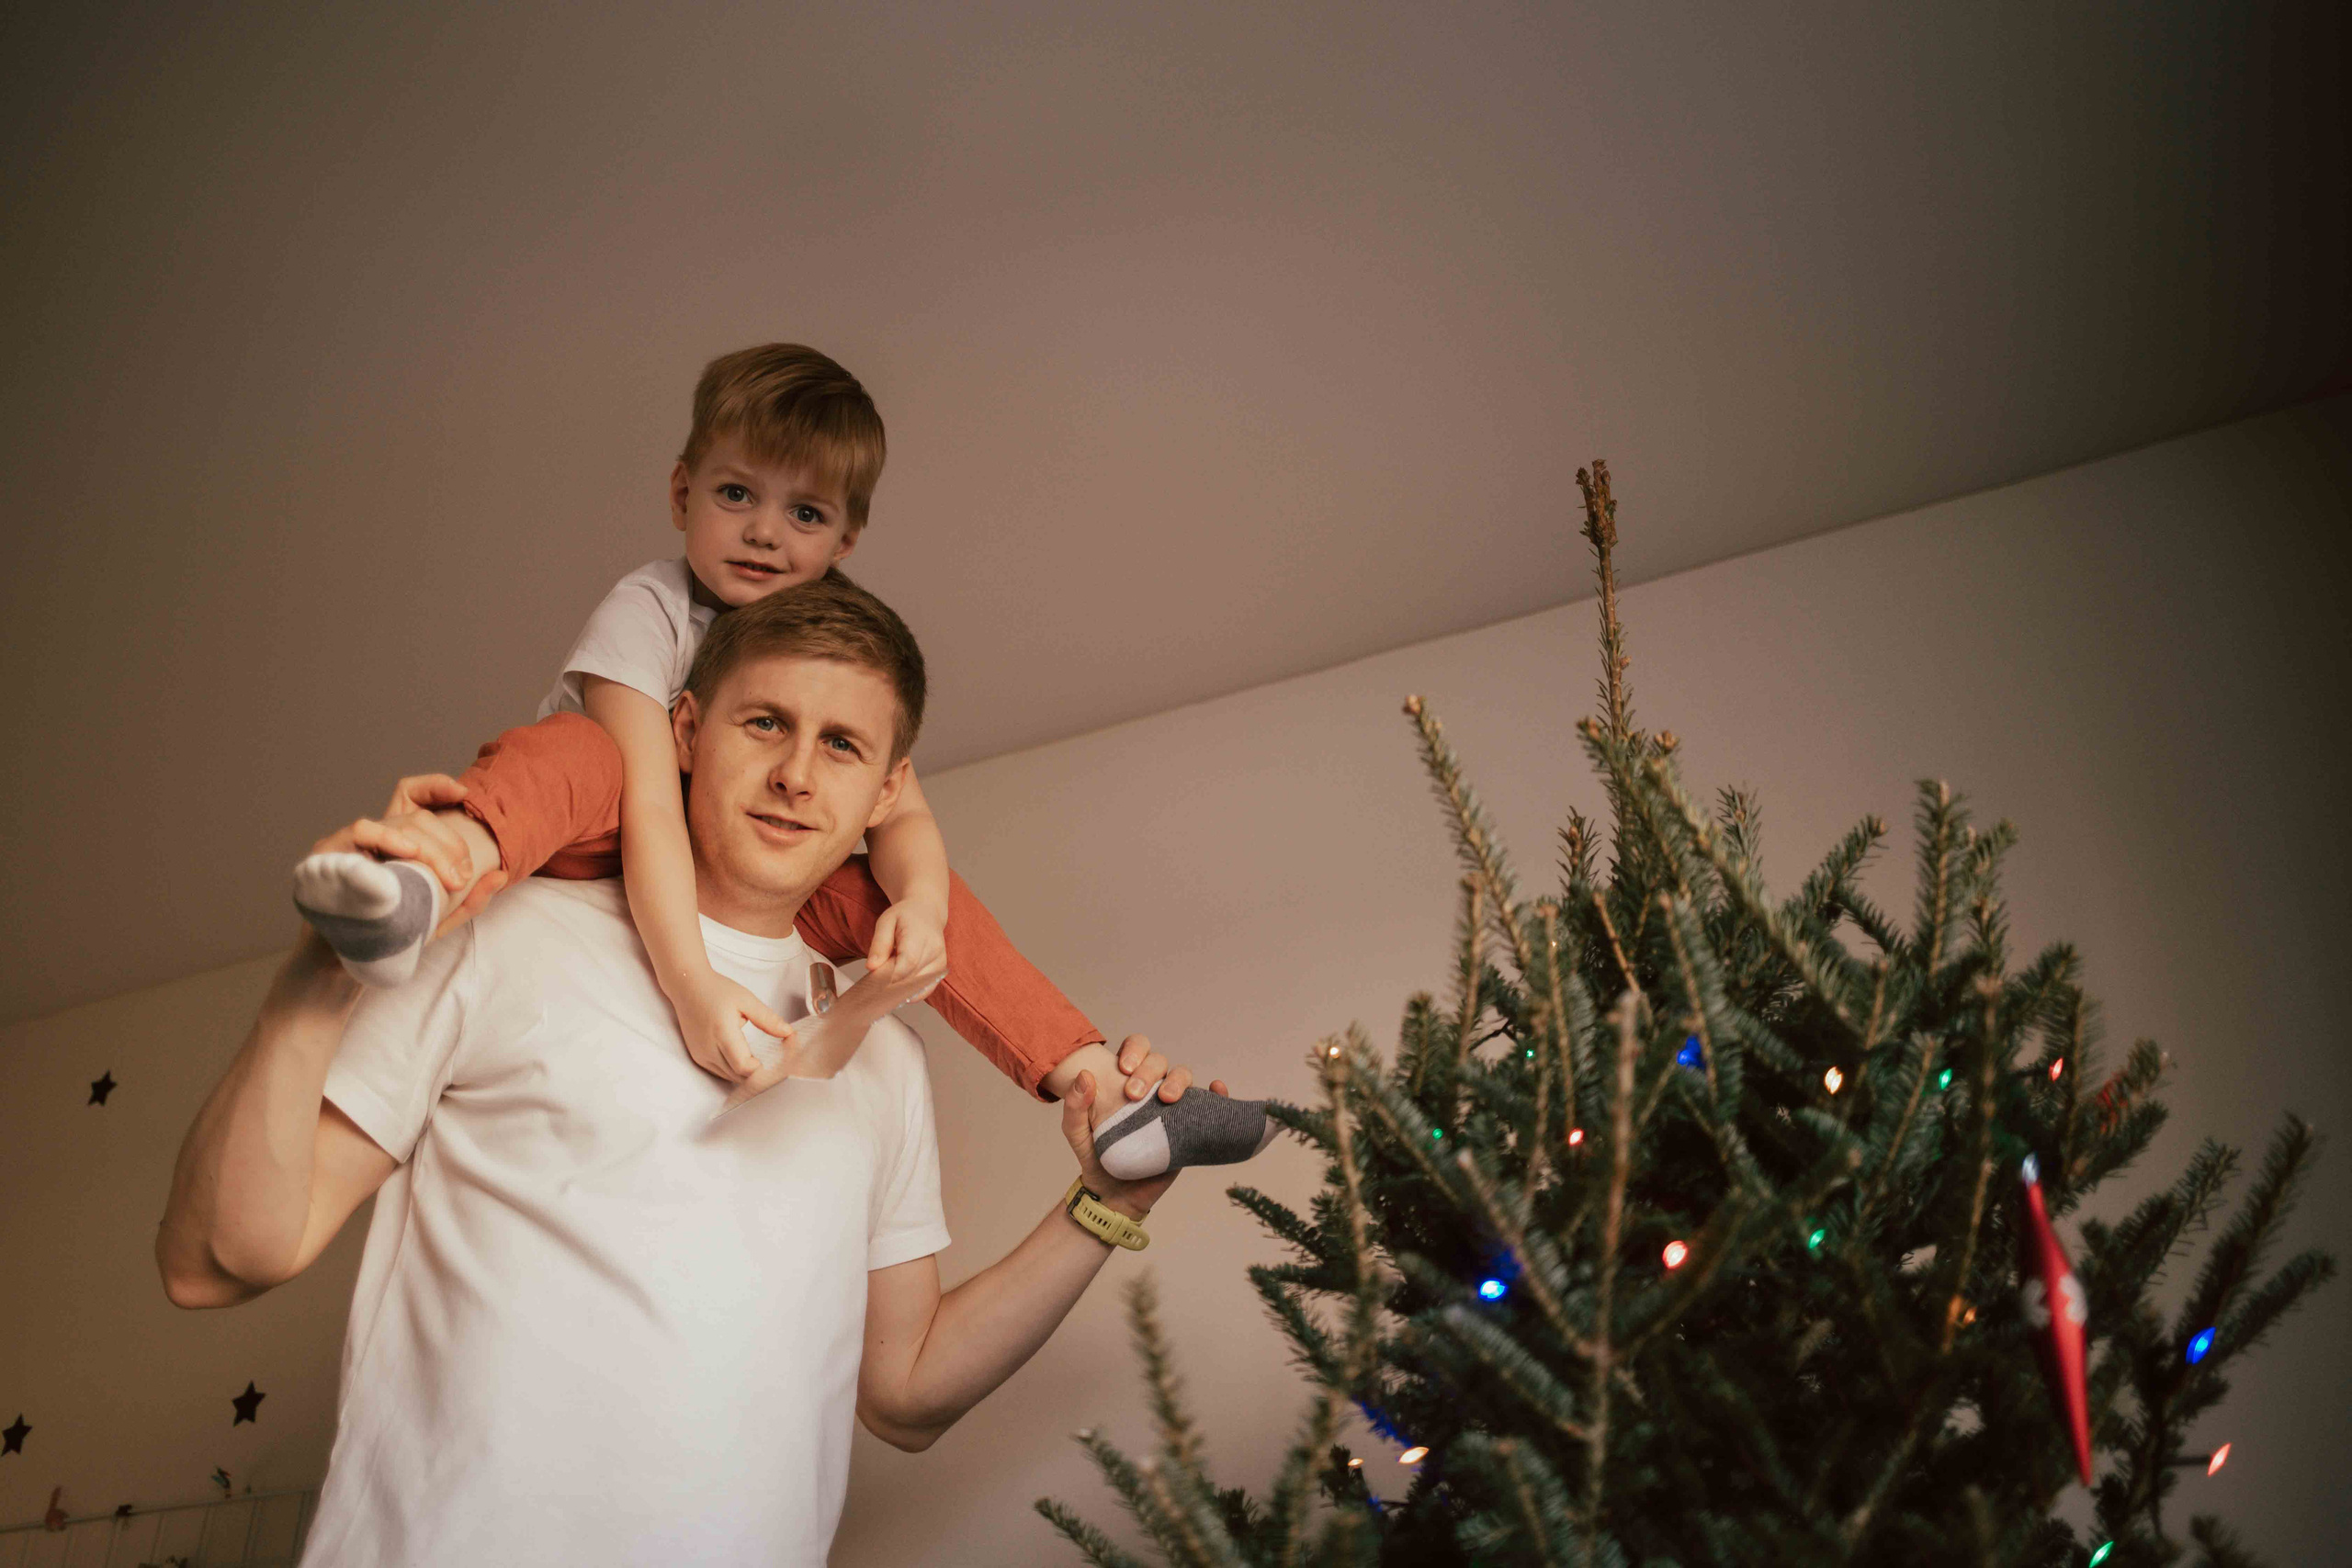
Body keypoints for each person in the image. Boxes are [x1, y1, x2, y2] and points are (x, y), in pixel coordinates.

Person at [157, 575, 1218, 1565]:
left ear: (886, 793)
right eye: (765, 723)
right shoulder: (502, 935)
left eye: (841, 745)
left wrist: (1106, 1203)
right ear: (684, 731)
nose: (797, 774)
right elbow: (215, 1265)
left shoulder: (888, 1061)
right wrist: (314, 984)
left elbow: (906, 1396)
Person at [288, 342, 1267, 1179]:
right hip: (591, 834)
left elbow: (901, 814)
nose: (764, 531)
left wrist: (921, 907)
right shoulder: (650, 608)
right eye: (735, 495)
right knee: (581, 752)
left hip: (735, 862)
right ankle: (428, 873)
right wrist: (692, 986)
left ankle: (1102, 1093)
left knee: (886, 885)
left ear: (847, 538)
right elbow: (650, 806)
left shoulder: (830, 648)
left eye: (806, 514)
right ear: (682, 493)